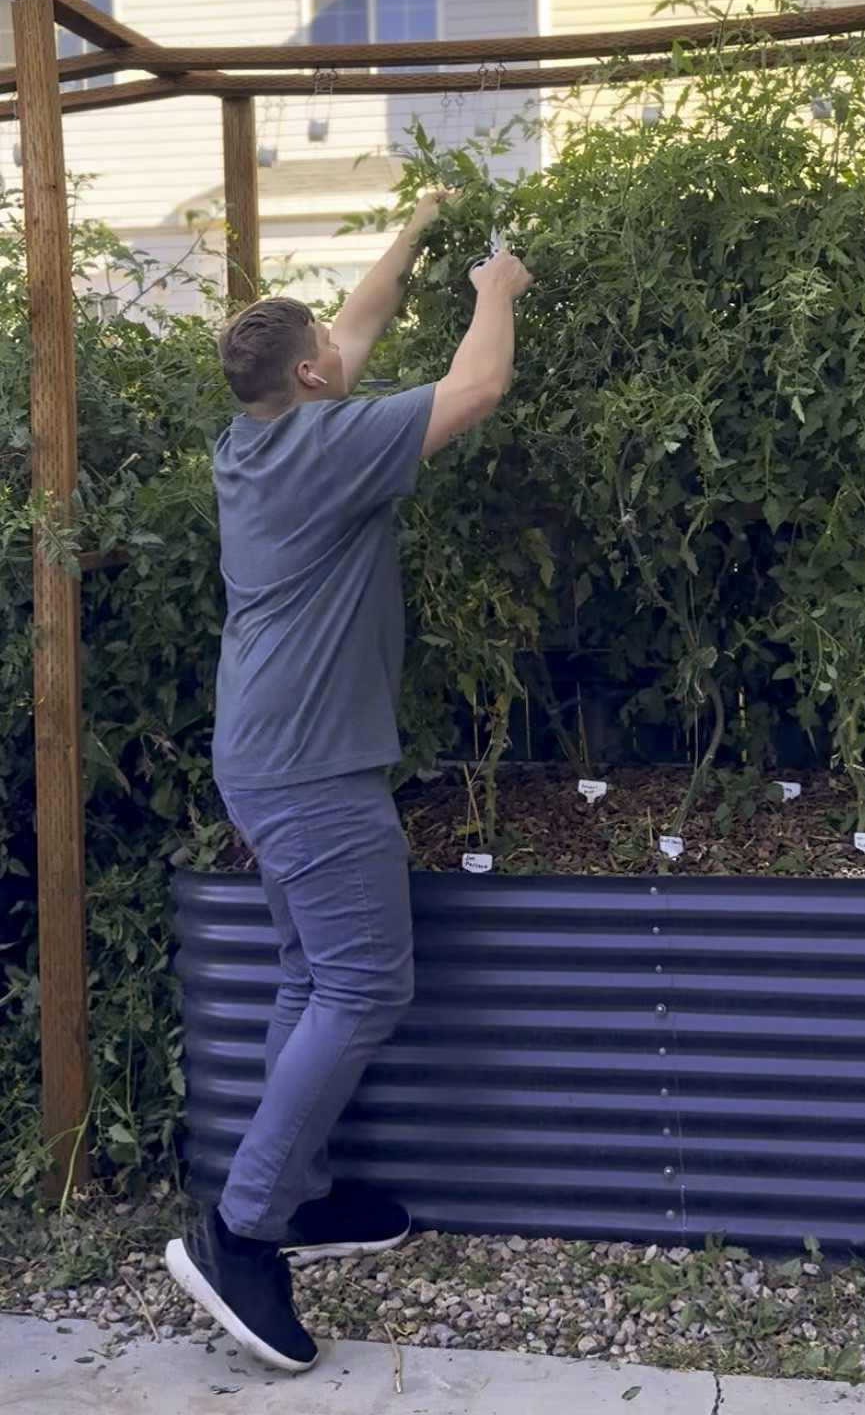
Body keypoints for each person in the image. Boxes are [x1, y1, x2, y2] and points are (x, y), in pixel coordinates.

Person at [165, 196, 532, 1372]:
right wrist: (494, 291)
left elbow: (359, 324)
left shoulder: (260, 434)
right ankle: (243, 1228)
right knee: (365, 988)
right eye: (330, 346)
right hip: (312, 769)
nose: (346, 347)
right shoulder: (326, 447)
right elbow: (474, 394)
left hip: (266, 755)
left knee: (309, 974)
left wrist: (419, 226)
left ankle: (300, 1192)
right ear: (311, 375)